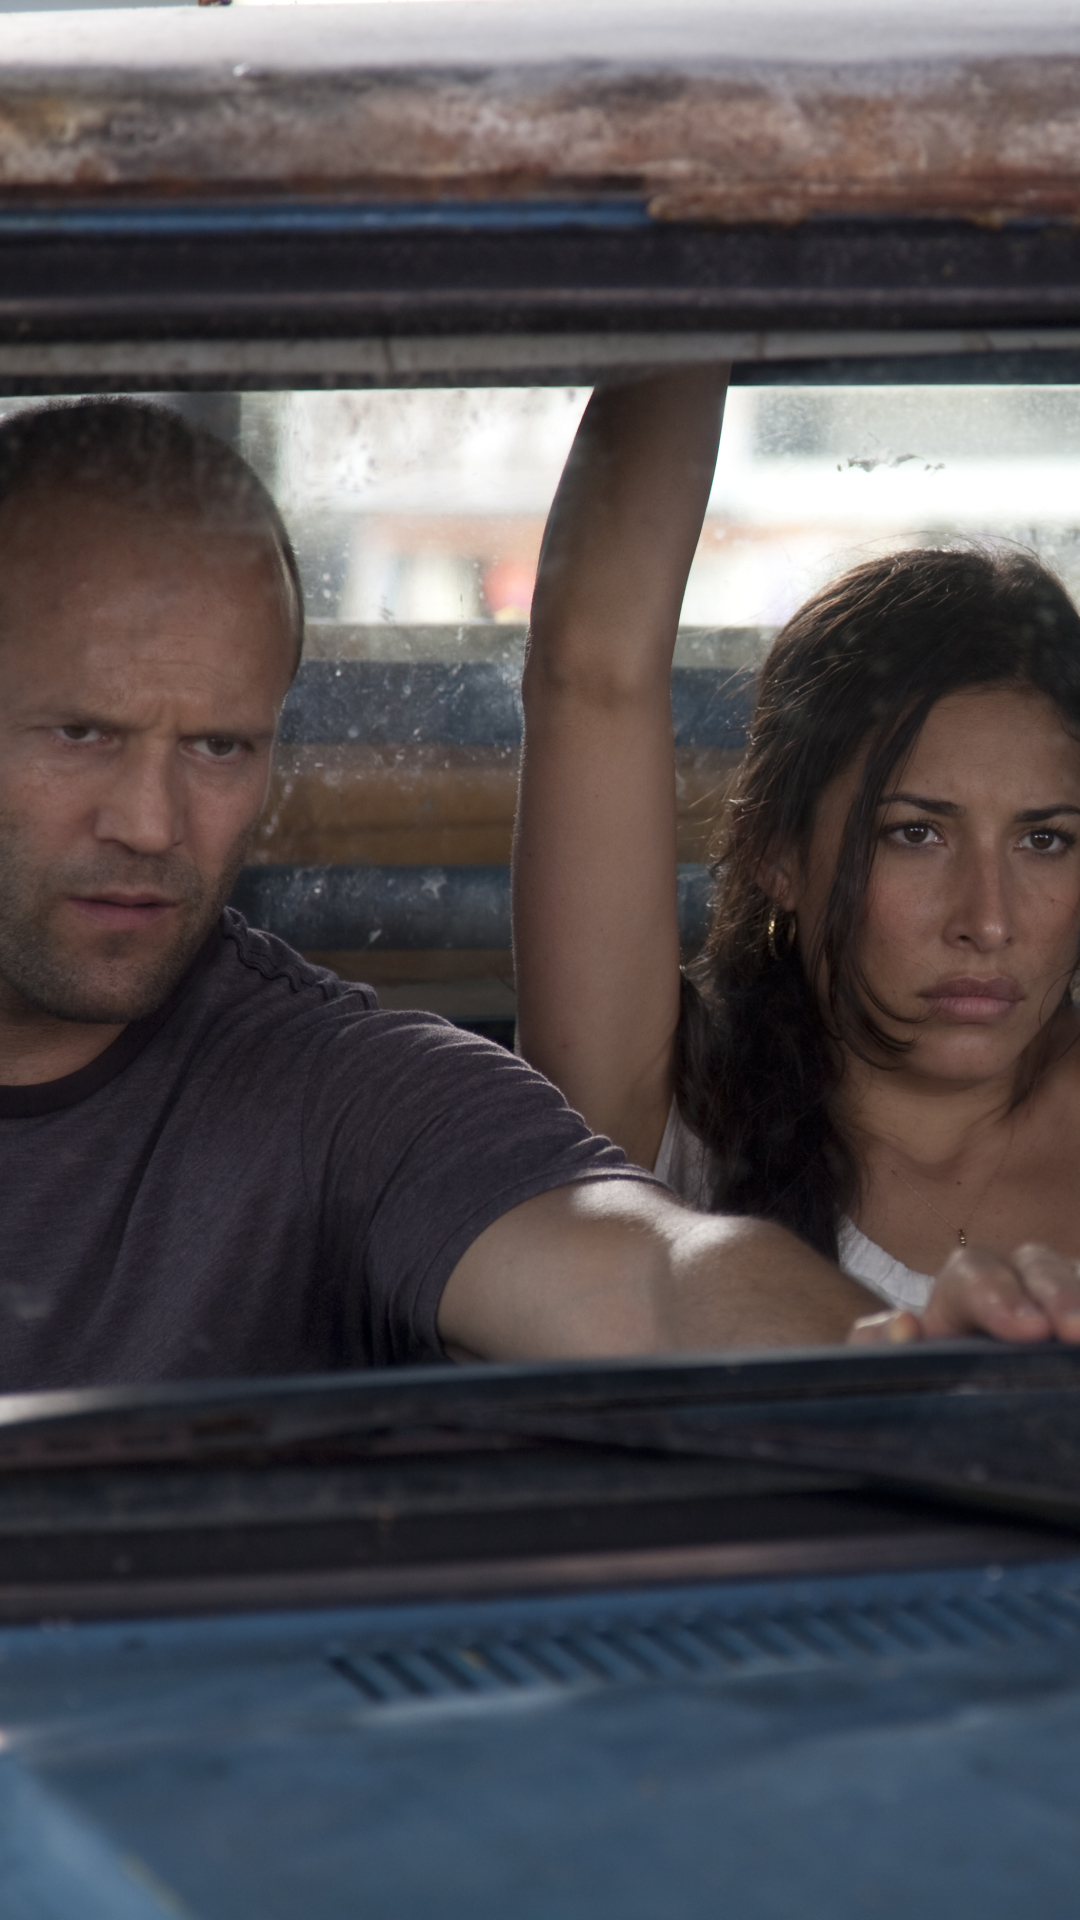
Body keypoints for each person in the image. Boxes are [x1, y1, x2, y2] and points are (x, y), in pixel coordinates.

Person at [0, 392, 916, 1394]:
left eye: (219, 747)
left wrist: (914, 1364)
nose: (150, 823)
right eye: (81, 734)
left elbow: (657, 1277)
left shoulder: (342, 1095)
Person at [513, 367, 1080, 1349]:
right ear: (778, 851)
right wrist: (709, 289)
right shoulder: (668, 1112)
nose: (988, 921)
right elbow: (591, 667)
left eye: (1046, 840)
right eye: (915, 833)